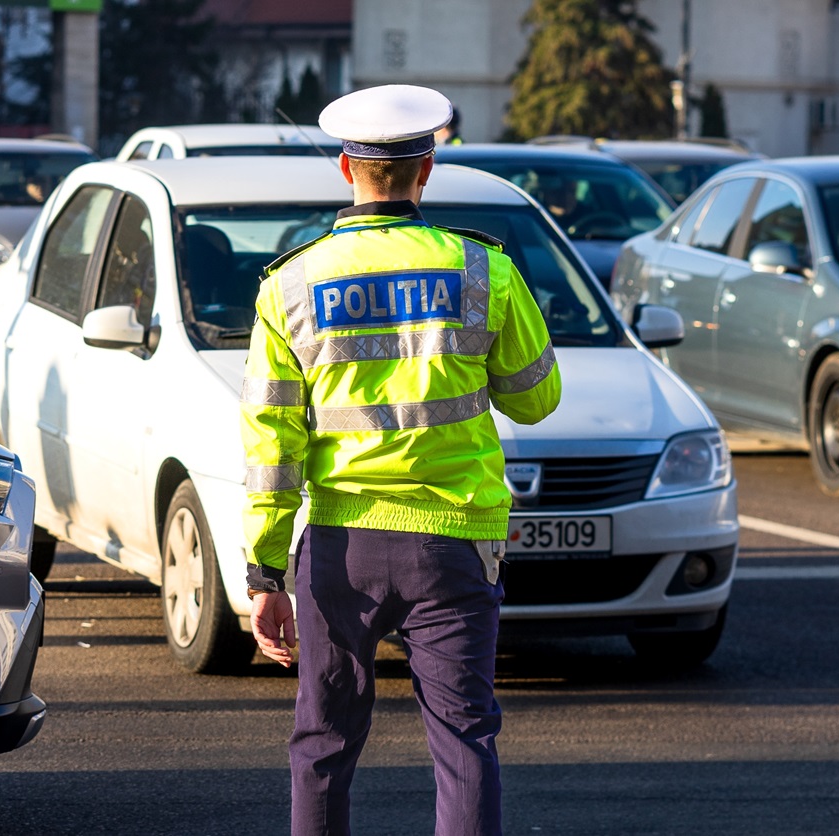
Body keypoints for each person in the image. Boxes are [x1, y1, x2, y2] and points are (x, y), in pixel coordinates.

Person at [240, 84, 561, 836]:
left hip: (338, 549)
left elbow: (271, 441)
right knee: (463, 740)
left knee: (322, 744)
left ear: (346, 168)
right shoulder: (484, 271)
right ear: (427, 170)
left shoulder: (290, 284)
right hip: (453, 541)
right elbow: (537, 399)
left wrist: (263, 570)